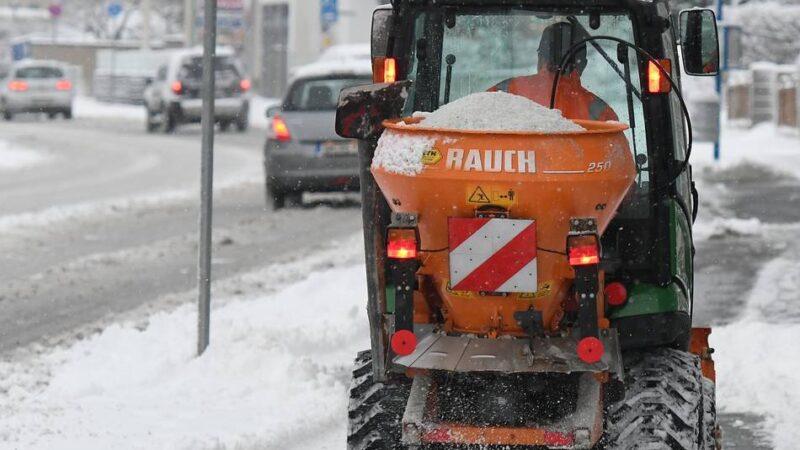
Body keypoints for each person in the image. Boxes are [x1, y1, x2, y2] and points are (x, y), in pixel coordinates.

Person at [489, 21, 618, 122]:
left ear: (540, 59)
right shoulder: (601, 113)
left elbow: (471, 121)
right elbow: (617, 153)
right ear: (583, 65)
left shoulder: (503, 92)